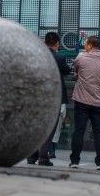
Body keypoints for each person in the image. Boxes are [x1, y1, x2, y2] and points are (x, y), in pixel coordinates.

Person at [68, 35, 100, 170]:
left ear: (90, 45)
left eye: (86, 44)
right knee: (99, 132)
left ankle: (75, 161)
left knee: (78, 131)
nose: (84, 47)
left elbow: (76, 72)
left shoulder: (81, 57)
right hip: (99, 102)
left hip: (82, 100)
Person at [27, 32, 70, 166]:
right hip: (54, 96)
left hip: (38, 95)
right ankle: (43, 157)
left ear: (45, 42)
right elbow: (67, 71)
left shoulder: (36, 55)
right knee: (50, 127)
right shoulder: (60, 57)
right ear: (57, 43)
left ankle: (31, 157)